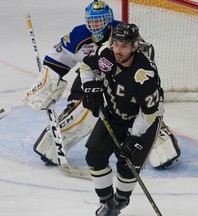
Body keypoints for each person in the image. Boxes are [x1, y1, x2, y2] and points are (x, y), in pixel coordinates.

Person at [25, 0, 180, 170]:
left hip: (123, 81)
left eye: (99, 21)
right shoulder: (79, 35)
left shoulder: (122, 33)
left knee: (137, 110)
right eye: (92, 21)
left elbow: (145, 61)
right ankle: (52, 145)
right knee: (85, 110)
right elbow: (58, 61)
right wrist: (48, 81)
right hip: (90, 76)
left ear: (109, 19)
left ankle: (163, 145)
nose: (95, 25)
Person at [80, 22, 164, 216]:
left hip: (144, 121)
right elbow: (85, 66)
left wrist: (134, 137)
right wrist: (90, 85)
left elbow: (149, 112)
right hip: (115, 113)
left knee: (127, 166)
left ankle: (121, 200)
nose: (118, 50)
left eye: (124, 46)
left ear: (134, 47)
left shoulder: (143, 74)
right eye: (116, 44)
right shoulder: (105, 54)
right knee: (94, 156)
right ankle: (108, 205)